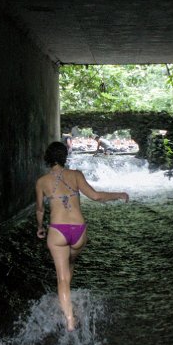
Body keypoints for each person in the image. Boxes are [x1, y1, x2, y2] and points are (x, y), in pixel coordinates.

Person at [35, 141, 128, 330]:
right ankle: (68, 297)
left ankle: (69, 319)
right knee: (71, 262)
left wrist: (39, 228)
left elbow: (40, 210)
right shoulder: (76, 175)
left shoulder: (42, 182)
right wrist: (119, 194)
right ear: (64, 157)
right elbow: (95, 196)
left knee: (61, 278)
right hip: (78, 231)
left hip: (57, 231)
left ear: (47, 158)